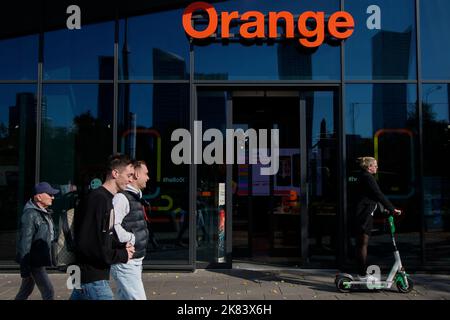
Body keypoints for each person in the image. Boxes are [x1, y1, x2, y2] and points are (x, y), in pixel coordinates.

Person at [70, 154, 136, 300]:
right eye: (129, 175)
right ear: (115, 173)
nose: (131, 180)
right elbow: (89, 243)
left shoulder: (103, 198)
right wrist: (122, 254)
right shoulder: (99, 200)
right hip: (93, 279)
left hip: (88, 278)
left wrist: (121, 246)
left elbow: (102, 237)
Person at [354, 157, 402, 280]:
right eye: (374, 165)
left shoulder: (365, 176)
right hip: (364, 214)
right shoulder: (368, 177)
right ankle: (362, 274)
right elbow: (378, 194)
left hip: (365, 213)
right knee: (362, 243)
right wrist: (392, 209)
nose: (376, 167)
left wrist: (385, 209)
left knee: (362, 243)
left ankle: (362, 273)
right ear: (368, 167)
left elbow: (372, 196)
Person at [111, 160, 150, 300]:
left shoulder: (135, 198)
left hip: (134, 260)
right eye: (146, 173)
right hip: (126, 262)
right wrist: (131, 238)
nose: (148, 177)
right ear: (137, 175)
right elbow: (113, 226)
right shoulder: (122, 198)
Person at [15, 182, 60, 300]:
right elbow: (25, 243)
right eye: (50, 194)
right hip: (34, 262)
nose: (53, 197)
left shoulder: (43, 213)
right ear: (38, 197)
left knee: (25, 290)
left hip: (36, 260)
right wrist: (24, 268)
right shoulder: (30, 215)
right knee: (48, 291)